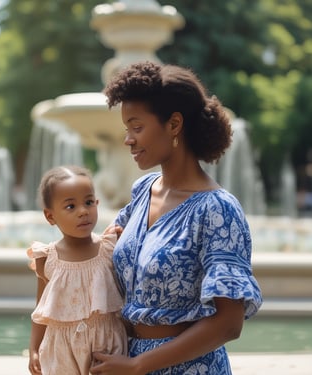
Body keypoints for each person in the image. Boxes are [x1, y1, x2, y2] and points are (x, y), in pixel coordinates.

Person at [90, 61, 263, 375]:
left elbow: (228, 323)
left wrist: (140, 364)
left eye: (137, 127)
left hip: (190, 368)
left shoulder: (217, 209)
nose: (128, 139)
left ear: (174, 125)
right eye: (126, 129)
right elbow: (105, 250)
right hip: (127, 361)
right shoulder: (143, 191)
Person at [27, 165, 127, 375]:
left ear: (97, 204)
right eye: (71, 206)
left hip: (106, 346)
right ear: (50, 216)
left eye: (89, 202)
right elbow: (41, 310)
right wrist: (34, 349)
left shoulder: (110, 248)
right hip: (61, 349)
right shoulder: (47, 258)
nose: (83, 211)